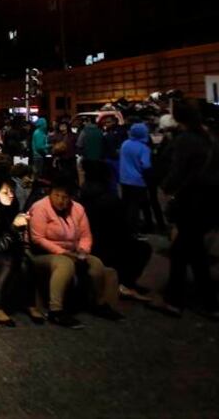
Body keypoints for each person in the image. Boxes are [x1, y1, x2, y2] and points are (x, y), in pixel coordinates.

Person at [152, 104, 219, 321]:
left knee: (185, 252)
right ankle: (204, 304)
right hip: (209, 201)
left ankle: (178, 302)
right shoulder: (209, 138)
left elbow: (177, 170)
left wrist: (165, 188)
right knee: (191, 253)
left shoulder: (185, 140)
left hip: (191, 202)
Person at [28, 176, 125, 328]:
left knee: (96, 264)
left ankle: (98, 303)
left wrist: (83, 251)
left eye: (65, 197)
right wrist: (62, 252)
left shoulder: (78, 209)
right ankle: (56, 310)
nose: (61, 200)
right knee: (65, 265)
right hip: (43, 253)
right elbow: (38, 238)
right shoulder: (40, 208)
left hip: (73, 252)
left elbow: (86, 235)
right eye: (57, 195)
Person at [0, 175, 43, 326]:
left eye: (11, 191)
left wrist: (22, 227)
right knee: (8, 262)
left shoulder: (11, 207)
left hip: (6, 249)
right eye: (5, 192)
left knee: (25, 262)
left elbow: (13, 241)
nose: (11, 195)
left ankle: (30, 304)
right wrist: (14, 228)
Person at [78, 160, 152, 301]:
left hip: (87, 245)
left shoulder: (82, 196)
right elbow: (123, 229)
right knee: (142, 248)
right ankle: (125, 283)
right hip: (105, 247)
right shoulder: (110, 199)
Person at [118, 122, 152, 236]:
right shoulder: (144, 148)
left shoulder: (125, 144)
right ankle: (134, 231)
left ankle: (125, 229)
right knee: (135, 208)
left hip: (124, 179)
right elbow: (146, 165)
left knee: (126, 205)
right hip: (138, 181)